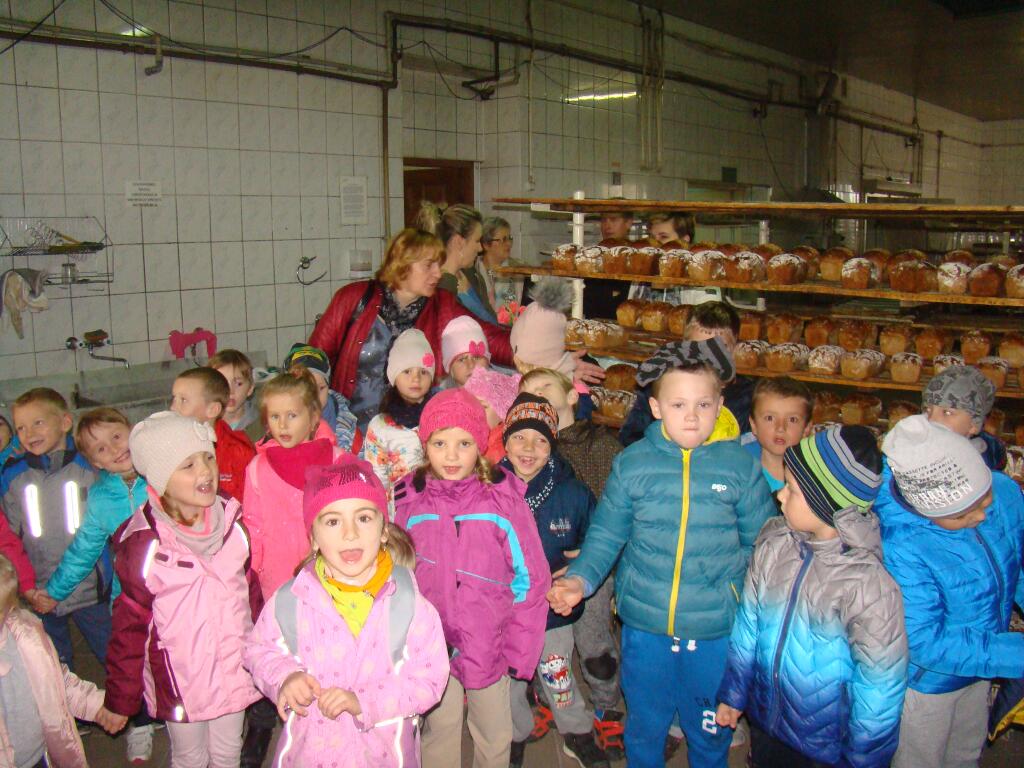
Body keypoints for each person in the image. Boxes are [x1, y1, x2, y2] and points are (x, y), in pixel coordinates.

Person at [547, 338, 776, 768]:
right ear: (656, 408)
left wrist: (760, 613)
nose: (691, 416)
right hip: (645, 626)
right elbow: (606, 533)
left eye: (703, 405)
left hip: (713, 630)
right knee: (645, 725)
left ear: (720, 406)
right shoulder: (633, 464)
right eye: (678, 405)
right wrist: (580, 578)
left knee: (709, 730)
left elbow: (763, 546)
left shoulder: (740, 468)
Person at [716, 425, 908, 768]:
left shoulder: (867, 586)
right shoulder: (774, 545)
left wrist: (864, 760)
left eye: (791, 489)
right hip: (767, 721)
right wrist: (734, 693)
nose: (780, 495)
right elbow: (748, 627)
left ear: (825, 503)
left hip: (824, 745)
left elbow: (879, 688)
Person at [243, 457, 450, 767]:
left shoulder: (409, 605)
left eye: (363, 518)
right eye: (332, 521)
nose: (350, 533)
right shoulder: (290, 601)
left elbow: (429, 680)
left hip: (382, 758)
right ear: (313, 538)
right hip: (310, 755)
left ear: (384, 530)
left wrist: (365, 702)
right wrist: (285, 677)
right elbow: (258, 651)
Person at [393, 388, 551, 768]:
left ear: (479, 446)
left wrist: (520, 648)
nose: (451, 456)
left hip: (489, 643)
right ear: (425, 445)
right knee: (438, 729)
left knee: (493, 732)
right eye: (440, 443)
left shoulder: (502, 501)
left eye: (463, 444)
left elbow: (530, 579)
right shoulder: (410, 501)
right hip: (432, 644)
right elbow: (396, 576)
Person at [104, 412, 261, 768]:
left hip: (234, 667)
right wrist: (121, 698)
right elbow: (129, 630)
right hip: (182, 680)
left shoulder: (234, 525)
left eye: (208, 457)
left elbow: (253, 599)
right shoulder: (146, 547)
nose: (205, 471)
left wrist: (265, 651)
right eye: (188, 465)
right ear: (161, 478)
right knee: (190, 757)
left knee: (228, 752)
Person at [876, 415, 1024, 768]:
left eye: (984, 502)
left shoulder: (1002, 494)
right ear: (924, 511)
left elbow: (1015, 561)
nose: (980, 517)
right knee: (921, 758)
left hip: (984, 661)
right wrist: (1014, 654)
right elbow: (924, 640)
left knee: (966, 750)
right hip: (930, 683)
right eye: (962, 515)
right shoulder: (903, 546)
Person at [308, 228, 514, 432]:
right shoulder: (353, 298)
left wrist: (527, 350)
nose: (438, 273)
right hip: (348, 430)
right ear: (403, 265)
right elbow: (313, 358)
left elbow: (489, 337)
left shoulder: (441, 305)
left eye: (438, 264)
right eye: (428, 265)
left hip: (411, 433)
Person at [38, 407, 156, 763]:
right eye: (101, 448)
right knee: (131, 664)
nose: (114, 449)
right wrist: (54, 592)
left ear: (133, 430)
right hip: (130, 599)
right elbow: (84, 548)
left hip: (179, 592)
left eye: (117, 437)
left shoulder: (162, 474)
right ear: (95, 464)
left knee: (179, 657)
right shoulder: (102, 498)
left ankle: (184, 714)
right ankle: (140, 724)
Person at [518, 368, 625, 756]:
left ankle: (607, 707)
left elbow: (619, 505)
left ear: (572, 395)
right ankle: (549, 699)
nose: (537, 394)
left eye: (545, 387)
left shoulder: (601, 444)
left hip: (592, 564)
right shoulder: (527, 449)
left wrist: (595, 548)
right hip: (543, 570)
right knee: (546, 646)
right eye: (528, 391)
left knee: (595, 646)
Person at [499, 393, 609, 768]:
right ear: (505, 442)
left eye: (540, 440)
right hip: (505, 611)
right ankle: (515, 731)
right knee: (509, 680)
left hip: (551, 610)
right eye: (519, 438)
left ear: (552, 445)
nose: (528, 449)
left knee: (557, 672)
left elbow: (596, 542)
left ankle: (575, 730)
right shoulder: (488, 489)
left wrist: (579, 567)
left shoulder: (572, 493)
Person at [0, 389, 108, 670]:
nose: (29, 433)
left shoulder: (91, 467)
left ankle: (136, 700)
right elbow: (11, 537)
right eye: (21, 428)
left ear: (65, 422)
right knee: (53, 662)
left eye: (38, 422)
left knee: (112, 654)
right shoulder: (13, 475)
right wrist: (27, 588)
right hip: (40, 590)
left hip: (89, 589)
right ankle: (64, 698)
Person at [0, 553, 123, 768]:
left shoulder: (24, 635)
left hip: (39, 756)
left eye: (5, 610)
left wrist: (96, 705)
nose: (7, 617)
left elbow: (55, 681)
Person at [619, 300, 754, 446]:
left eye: (719, 348)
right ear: (685, 346)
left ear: (735, 349)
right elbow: (630, 438)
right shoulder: (658, 389)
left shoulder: (749, 398)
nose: (709, 358)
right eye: (698, 348)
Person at [362, 329, 437, 515]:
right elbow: (376, 479)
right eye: (407, 371)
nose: (416, 378)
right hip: (397, 514)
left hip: (437, 510)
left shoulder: (441, 416)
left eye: (423, 372)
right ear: (393, 375)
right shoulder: (380, 426)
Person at [170, 367, 256, 503]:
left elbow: (250, 503)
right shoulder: (171, 446)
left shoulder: (238, 451)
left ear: (212, 410)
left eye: (183, 400)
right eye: (174, 399)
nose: (173, 408)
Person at [418, 202, 498, 324]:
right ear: (459, 242)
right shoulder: (439, 285)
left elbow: (493, 323)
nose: (480, 248)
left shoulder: (472, 274)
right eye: (477, 241)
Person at [922, 364, 1006, 470]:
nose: (931, 420)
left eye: (947, 412)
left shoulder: (977, 468)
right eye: (928, 409)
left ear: (973, 425)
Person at [282, 343, 362, 453]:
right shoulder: (278, 426)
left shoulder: (349, 429)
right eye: (304, 389)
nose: (313, 397)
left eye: (320, 388)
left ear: (328, 386)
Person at [742, 377, 814, 493]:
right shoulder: (739, 465)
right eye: (770, 418)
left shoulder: (815, 475)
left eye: (792, 419)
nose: (780, 428)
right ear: (754, 425)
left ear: (806, 428)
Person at [463, 365, 521, 465]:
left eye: (483, 407)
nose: (475, 411)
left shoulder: (501, 452)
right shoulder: (464, 436)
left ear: (502, 414)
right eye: (471, 405)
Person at [583, 211, 635, 318]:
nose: (607, 225)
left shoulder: (636, 258)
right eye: (603, 220)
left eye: (613, 219)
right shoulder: (594, 256)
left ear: (628, 223)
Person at [209, 349, 261, 442]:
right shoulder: (202, 427)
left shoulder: (263, 424)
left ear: (250, 389)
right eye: (222, 383)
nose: (230, 391)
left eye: (238, 384)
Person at [475, 216, 515, 316]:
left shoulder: (518, 270)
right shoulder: (473, 271)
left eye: (510, 238)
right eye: (503, 239)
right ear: (486, 244)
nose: (509, 244)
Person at [440, 315, 492, 388]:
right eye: (462, 359)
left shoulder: (502, 388)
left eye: (476, 357)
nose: (471, 365)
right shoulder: (441, 394)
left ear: (487, 361)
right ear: (450, 368)